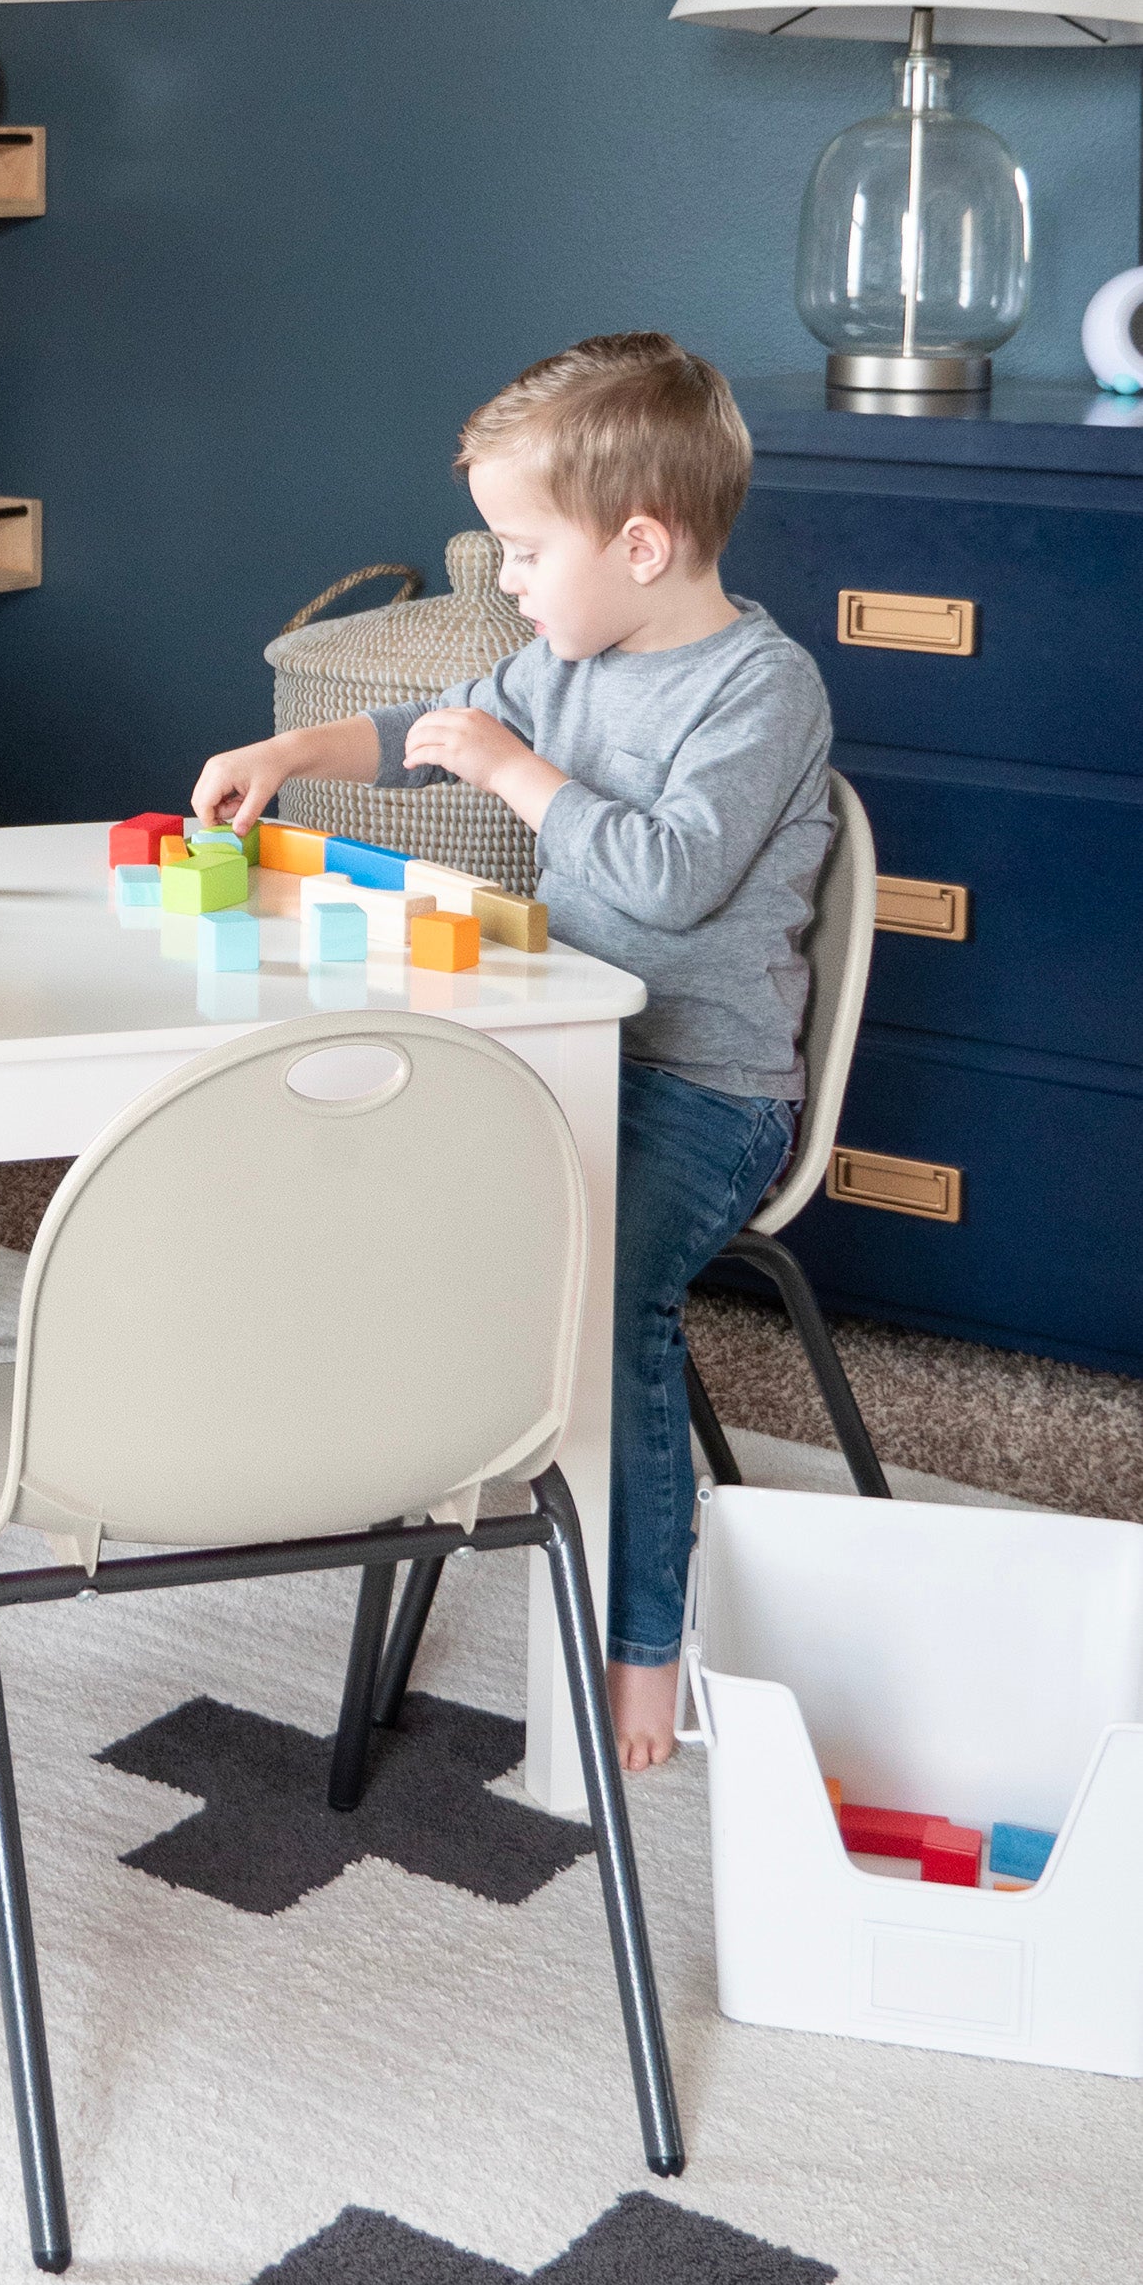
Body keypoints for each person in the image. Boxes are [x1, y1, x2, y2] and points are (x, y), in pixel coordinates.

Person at [192, 331, 833, 1771]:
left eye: (526, 551)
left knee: (609, 1297)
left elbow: (670, 876)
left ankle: (640, 1651)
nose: (513, 584)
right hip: (564, 1045)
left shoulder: (761, 692)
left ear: (645, 544)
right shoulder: (567, 653)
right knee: (376, 1164)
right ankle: (371, 1451)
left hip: (704, 1093)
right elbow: (434, 728)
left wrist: (519, 775)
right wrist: (293, 757)